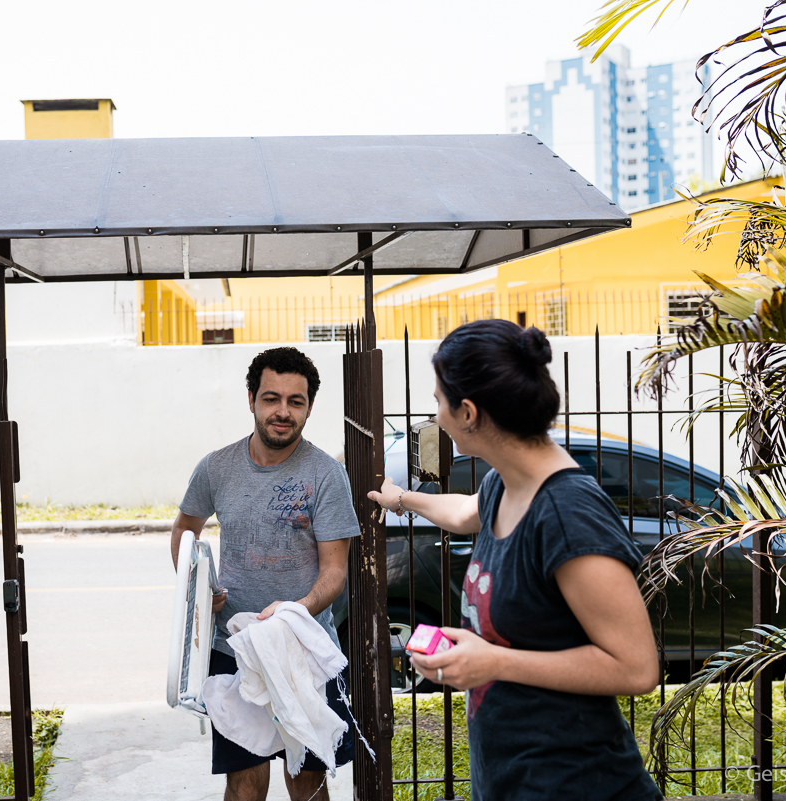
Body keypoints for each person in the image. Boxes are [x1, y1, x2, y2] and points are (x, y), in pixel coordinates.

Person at [368, 320, 662, 801]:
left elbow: (635, 668)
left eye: (439, 401)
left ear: (468, 412)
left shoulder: (568, 513)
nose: (435, 414)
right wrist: (401, 499)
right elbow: (464, 512)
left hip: (577, 784)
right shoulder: (503, 484)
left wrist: (493, 662)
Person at [172, 346, 361, 801]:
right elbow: (184, 532)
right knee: (244, 783)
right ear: (252, 399)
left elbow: (335, 571)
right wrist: (198, 590)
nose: (283, 412)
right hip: (232, 647)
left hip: (305, 647)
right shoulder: (216, 467)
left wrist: (295, 611)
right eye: (271, 398)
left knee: (307, 780)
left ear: (309, 407)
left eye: (296, 402)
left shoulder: (327, 475)